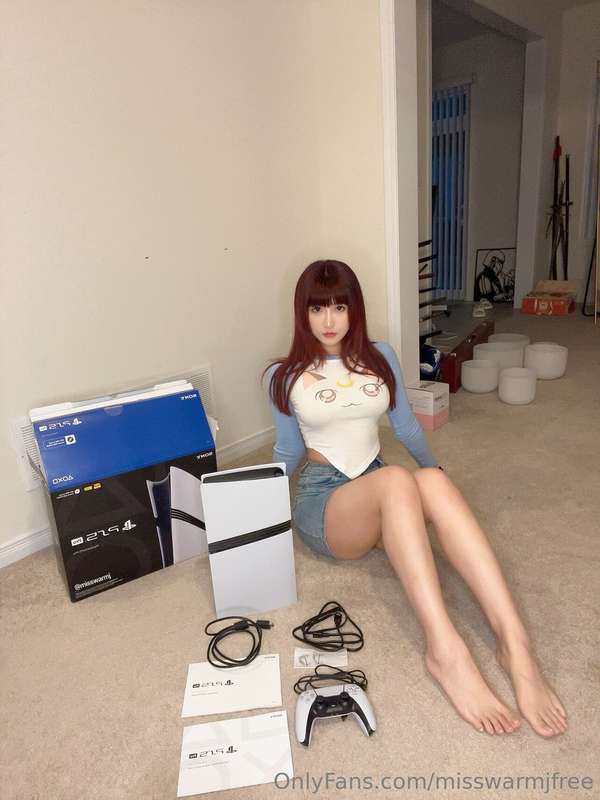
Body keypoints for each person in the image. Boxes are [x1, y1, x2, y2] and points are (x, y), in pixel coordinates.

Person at [264, 259, 566, 738]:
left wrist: (435, 479)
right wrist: (252, 518)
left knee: (428, 482)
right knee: (397, 481)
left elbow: (404, 426)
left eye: (339, 307)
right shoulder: (285, 374)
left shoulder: (380, 355)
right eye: (317, 309)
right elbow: (287, 451)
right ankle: (445, 650)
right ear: (302, 313)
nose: (328, 320)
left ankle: (515, 644)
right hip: (325, 502)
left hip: (381, 486)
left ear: (354, 309)